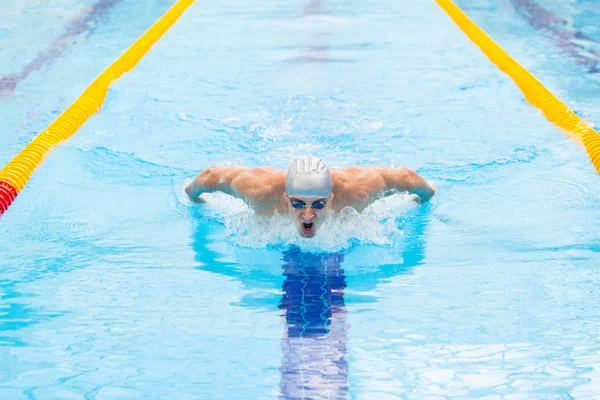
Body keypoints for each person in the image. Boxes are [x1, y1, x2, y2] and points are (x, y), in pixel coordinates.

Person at [185, 156, 436, 238]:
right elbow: (210, 176)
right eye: (297, 204)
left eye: (318, 204)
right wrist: (194, 197)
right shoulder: (260, 193)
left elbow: (406, 178)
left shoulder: (356, 193)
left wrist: (424, 196)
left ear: (331, 196)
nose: (307, 214)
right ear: (285, 196)